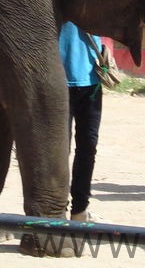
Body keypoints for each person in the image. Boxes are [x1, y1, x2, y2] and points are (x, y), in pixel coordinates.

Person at [58, 21, 104, 221]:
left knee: (88, 148)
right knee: (59, 151)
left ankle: (80, 209)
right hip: (57, 83)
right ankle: (57, 208)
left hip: (91, 80)